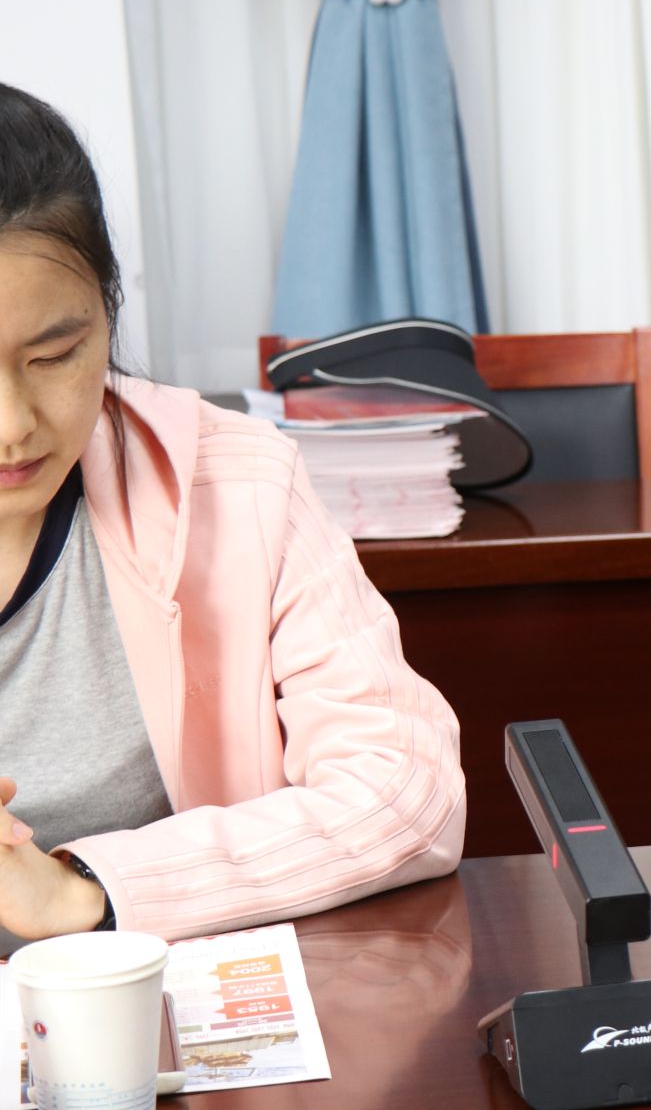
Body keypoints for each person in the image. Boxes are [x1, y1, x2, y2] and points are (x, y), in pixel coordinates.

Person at [0, 83, 464, 950]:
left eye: (55, 355)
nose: (13, 424)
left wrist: (85, 889)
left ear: (109, 311)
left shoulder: (236, 482)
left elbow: (407, 789)